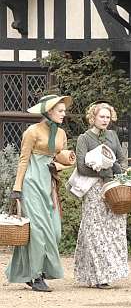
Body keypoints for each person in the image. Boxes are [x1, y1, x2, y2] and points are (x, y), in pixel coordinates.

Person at [6, 94, 73, 292]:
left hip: (49, 183)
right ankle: (35, 276)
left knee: (55, 231)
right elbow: (23, 160)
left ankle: (26, 271)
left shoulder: (61, 133)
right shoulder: (32, 131)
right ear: (49, 111)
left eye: (63, 110)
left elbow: (61, 158)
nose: (64, 114)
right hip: (31, 183)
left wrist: (63, 164)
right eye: (60, 111)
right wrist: (17, 189)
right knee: (37, 232)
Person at [73, 101, 128, 289]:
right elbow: (81, 166)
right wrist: (103, 173)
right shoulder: (84, 138)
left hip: (112, 188)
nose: (105, 120)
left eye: (107, 117)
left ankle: (110, 271)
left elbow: (121, 158)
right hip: (94, 189)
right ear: (93, 118)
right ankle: (99, 275)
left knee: (114, 229)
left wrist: (120, 174)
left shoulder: (112, 135)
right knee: (94, 231)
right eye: (101, 116)